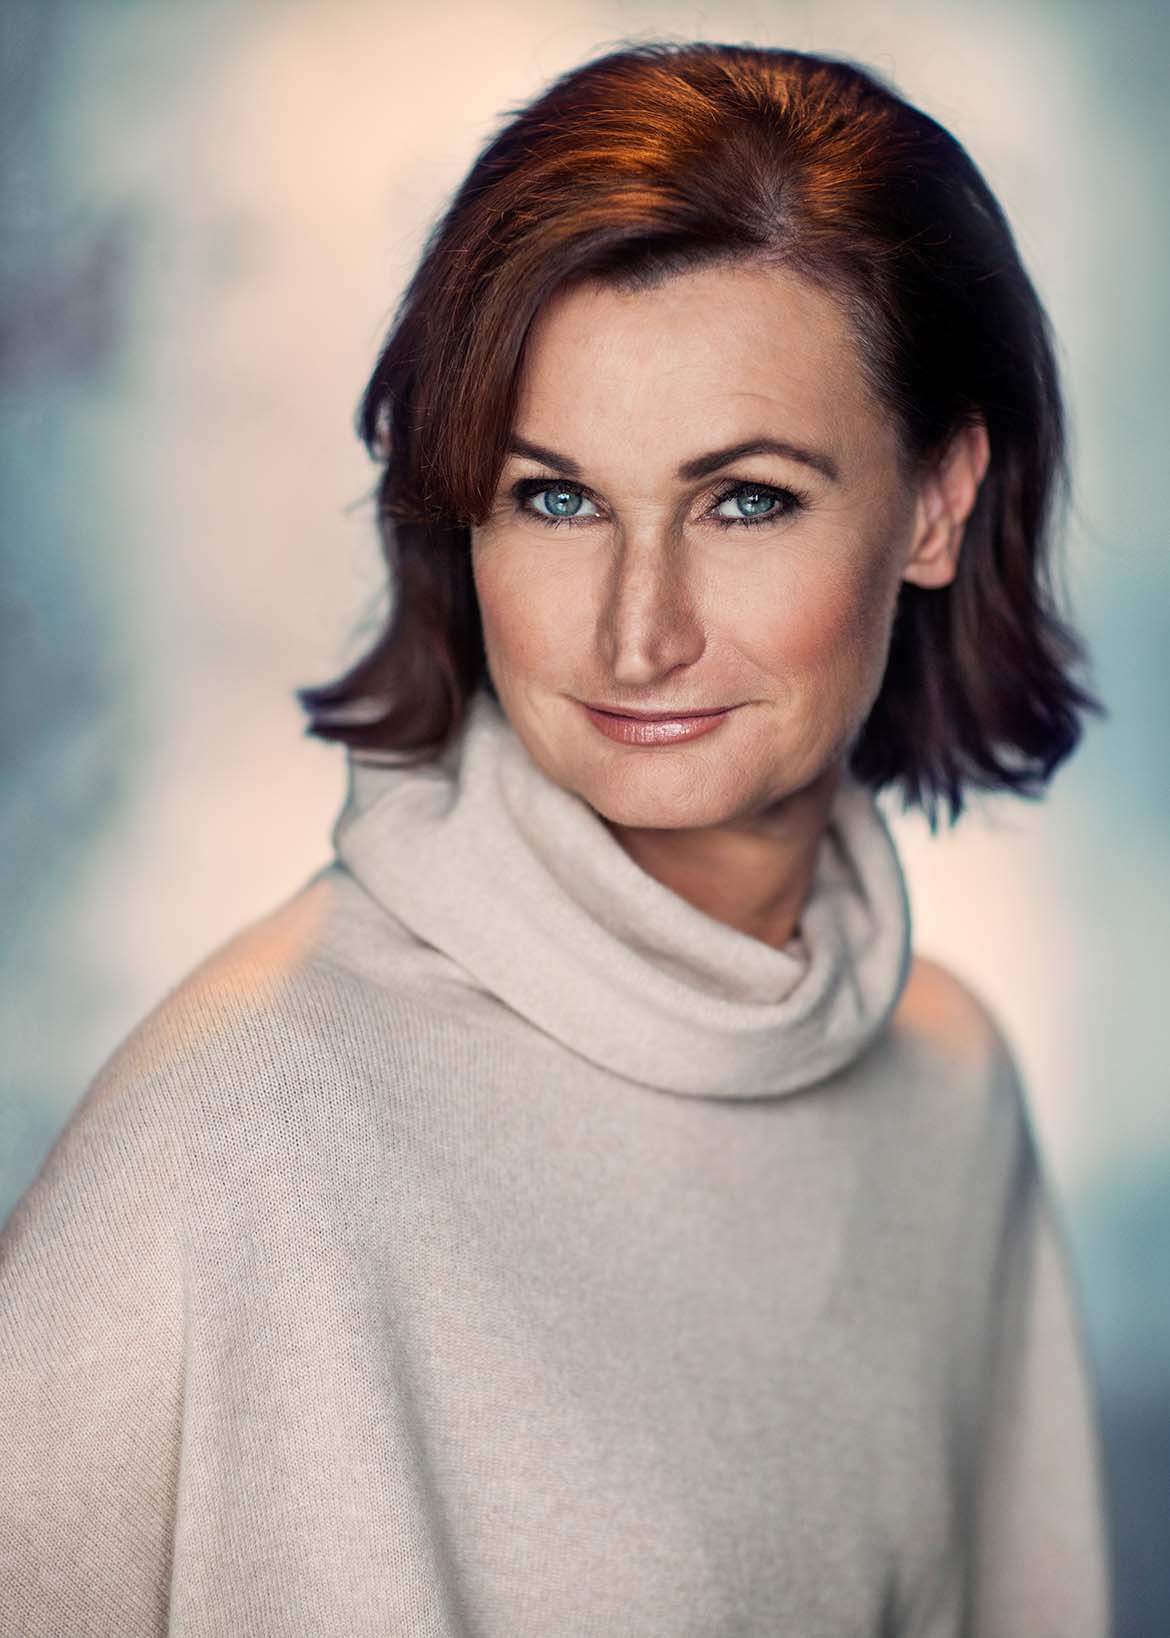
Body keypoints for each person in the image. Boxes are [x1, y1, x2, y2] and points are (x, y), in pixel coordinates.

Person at [0, 39, 1112, 1638]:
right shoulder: (239, 1120)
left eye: (745, 499)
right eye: (556, 498)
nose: (635, 631)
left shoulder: (947, 1089)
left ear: (936, 501)